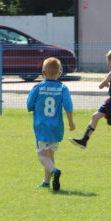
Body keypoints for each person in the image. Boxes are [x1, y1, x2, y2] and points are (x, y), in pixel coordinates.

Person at [27, 57, 75, 191]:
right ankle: (47, 182)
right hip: (56, 127)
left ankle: (54, 171)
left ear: (43, 72)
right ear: (59, 73)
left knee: (42, 155)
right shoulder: (63, 88)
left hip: (42, 127)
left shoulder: (37, 88)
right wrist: (71, 122)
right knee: (50, 155)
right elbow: (68, 106)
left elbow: (29, 105)